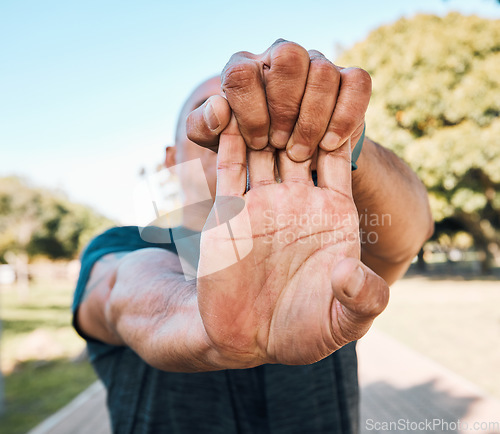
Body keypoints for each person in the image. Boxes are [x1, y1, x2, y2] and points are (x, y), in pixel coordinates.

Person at [72, 40, 433, 433]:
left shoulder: (329, 240)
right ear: (172, 158)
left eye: (249, 108)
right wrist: (202, 322)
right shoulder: (123, 244)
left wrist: (343, 139)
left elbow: (413, 229)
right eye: (212, 110)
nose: (239, 122)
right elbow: (119, 292)